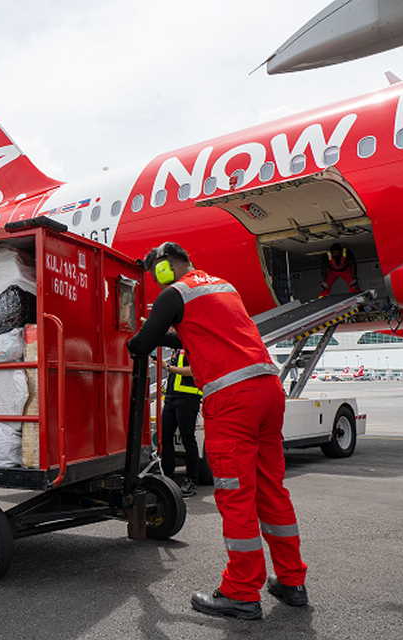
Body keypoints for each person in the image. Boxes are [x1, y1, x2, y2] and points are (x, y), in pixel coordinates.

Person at [126, 242, 308, 621]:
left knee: (235, 494)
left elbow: (141, 344)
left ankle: (241, 593)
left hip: (233, 399)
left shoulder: (175, 293)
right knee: (271, 489)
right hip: (268, 390)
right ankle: (292, 581)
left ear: (163, 269)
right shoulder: (222, 287)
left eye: (156, 275)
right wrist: (166, 333)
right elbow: (192, 337)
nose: (157, 284)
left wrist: (132, 334)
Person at [160, 347, 201, 498]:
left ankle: (191, 480)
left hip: (188, 399)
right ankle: (167, 478)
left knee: (187, 440)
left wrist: (168, 367)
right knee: (165, 438)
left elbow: (193, 371)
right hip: (171, 399)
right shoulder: (176, 348)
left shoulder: (193, 345)